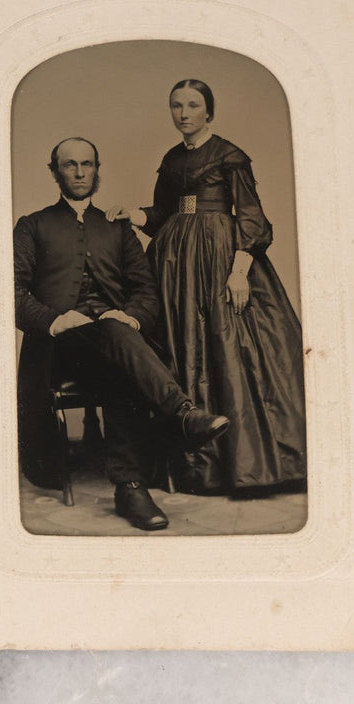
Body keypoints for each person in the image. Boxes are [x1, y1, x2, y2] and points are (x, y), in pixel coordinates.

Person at [15, 137, 228, 531]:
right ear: (54, 172)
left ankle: (130, 487)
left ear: (98, 169)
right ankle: (181, 415)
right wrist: (56, 320)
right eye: (70, 165)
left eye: (87, 164)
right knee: (120, 350)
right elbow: (11, 290)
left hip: (113, 343)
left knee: (118, 355)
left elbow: (144, 290)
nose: (80, 172)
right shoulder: (33, 225)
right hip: (61, 346)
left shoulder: (116, 227)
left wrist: (130, 317)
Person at [107, 79, 305, 495]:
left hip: (219, 259)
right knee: (179, 346)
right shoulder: (171, 158)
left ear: (208, 112)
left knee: (226, 348)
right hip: (174, 264)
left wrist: (239, 271)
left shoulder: (230, 155)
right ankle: (190, 462)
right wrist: (134, 215)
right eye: (176, 105)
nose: (184, 113)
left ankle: (241, 464)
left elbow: (252, 218)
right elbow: (163, 213)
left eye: (193, 105)